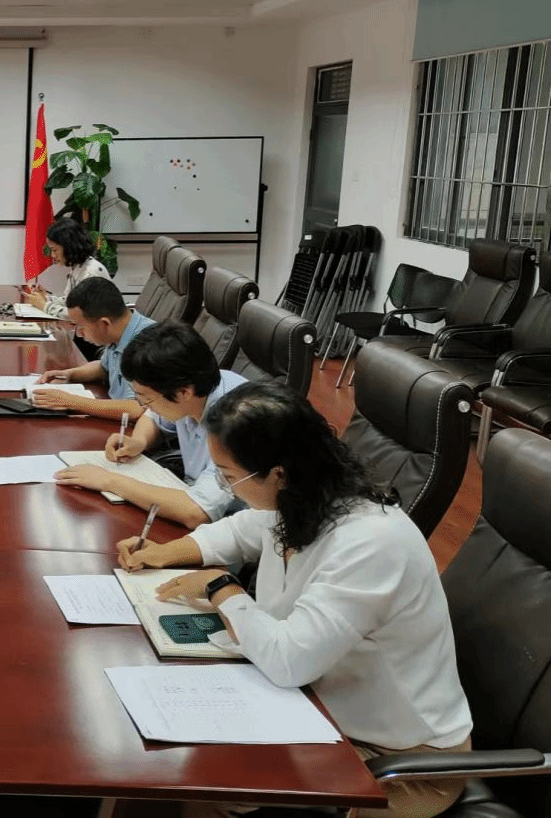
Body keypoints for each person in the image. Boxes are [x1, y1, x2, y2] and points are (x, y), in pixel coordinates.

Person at [119, 382, 472, 818]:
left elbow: (290, 661)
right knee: (182, 750)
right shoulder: (306, 499)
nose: (228, 489)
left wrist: (222, 588)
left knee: (213, 778)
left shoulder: (372, 542)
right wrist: (164, 553)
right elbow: (242, 530)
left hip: (399, 764)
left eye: (229, 476)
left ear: (278, 474)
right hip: (323, 710)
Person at [55, 320, 246, 528]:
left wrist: (108, 480)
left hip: (235, 529)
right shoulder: (194, 388)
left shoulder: (237, 421)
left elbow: (197, 511)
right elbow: (152, 417)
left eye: (146, 398)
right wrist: (139, 441)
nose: (143, 405)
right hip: (190, 492)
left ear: (183, 392)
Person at [31, 277, 153, 421]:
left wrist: (70, 401)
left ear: (104, 324)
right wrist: (69, 375)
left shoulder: (146, 344)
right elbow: (104, 367)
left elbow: (137, 409)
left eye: (80, 327)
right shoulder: (121, 330)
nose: (78, 334)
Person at [20, 217, 111, 320]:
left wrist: (44, 306)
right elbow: (69, 302)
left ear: (69, 247)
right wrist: (45, 298)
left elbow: (81, 316)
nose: (52, 255)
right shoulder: (79, 266)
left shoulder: (90, 273)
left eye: (55, 250)